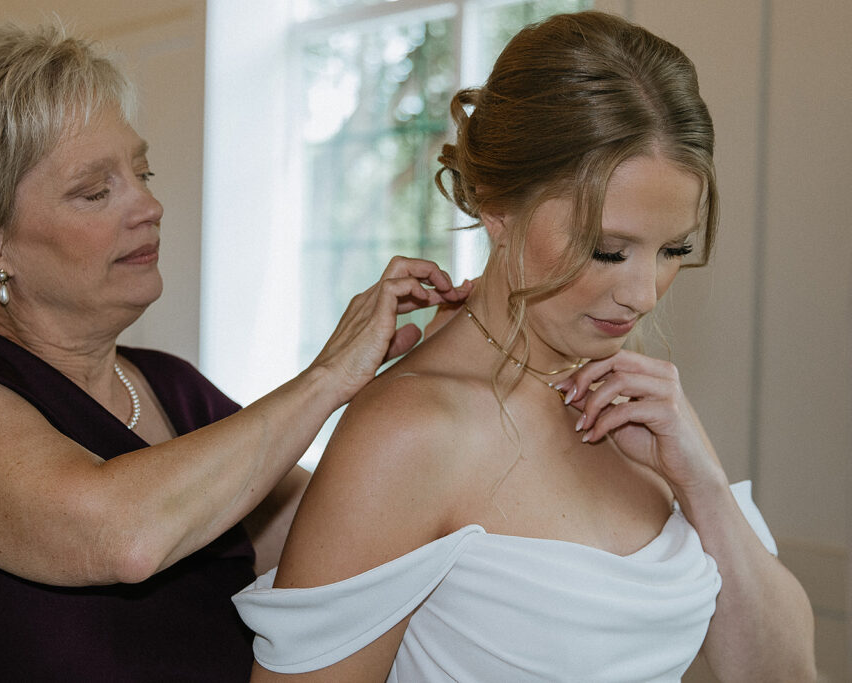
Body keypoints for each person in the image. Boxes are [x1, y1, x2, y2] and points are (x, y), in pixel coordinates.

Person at [0, 24, 471, 681]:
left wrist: (449, 361)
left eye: (141, 173)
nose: (149, 205)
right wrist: (329, 375)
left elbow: (357, 537)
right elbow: (119, 534)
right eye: (96, 192)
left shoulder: (176, 391)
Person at [232, 11, 816, 682]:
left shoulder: (645, 405)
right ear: (496, 205)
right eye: (608, 248)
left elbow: (786, 671)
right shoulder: (409, 432)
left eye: (672, 249)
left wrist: (703, 485)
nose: (645, 293)